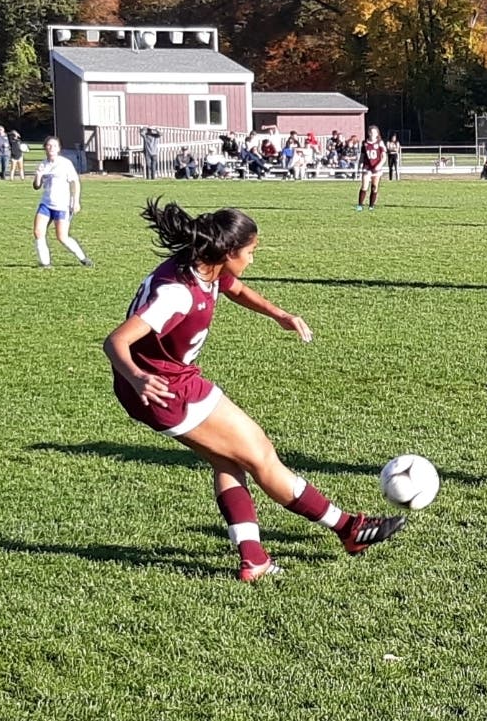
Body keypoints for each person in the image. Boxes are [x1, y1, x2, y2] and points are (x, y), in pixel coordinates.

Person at [103, 198, 407, 581]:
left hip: (160, 385)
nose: (252, 259)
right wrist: (137, 376)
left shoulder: (205, 264)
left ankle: (254, 560)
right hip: (165, 389)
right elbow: (116, 341)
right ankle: (348, 527)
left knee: (228, 460)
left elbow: (236, 289)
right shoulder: (178, 293)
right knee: (262, 456)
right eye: (250, 252)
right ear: (228, 251)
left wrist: (280, 314)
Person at [31, 136, 93, 269]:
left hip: (62, 205)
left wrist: (76, 201)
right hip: (46, 203)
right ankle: (45, 263)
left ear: (58, 149)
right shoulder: (43, 164)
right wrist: (38, 176)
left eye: (54, 146)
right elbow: (36, 186)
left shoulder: (65, 163)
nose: (51, 148)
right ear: (45, 148)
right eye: (48, 145)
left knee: (62, 237)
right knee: (38, 232)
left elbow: (75, 182)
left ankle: (83, 258)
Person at [357, 125, 386, 210]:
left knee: (374, 187)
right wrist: (359, 166)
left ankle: (371, 206)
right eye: (371, 132)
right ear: (368, 133)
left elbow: (384, 157)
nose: (372, 134)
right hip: (367, 167)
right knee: (364, 186)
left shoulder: (380, 143)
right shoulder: (365, 143)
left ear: (377, 133)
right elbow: (362, 157)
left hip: (376, 167)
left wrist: (379, 165)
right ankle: (360, 205)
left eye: (374, 132)